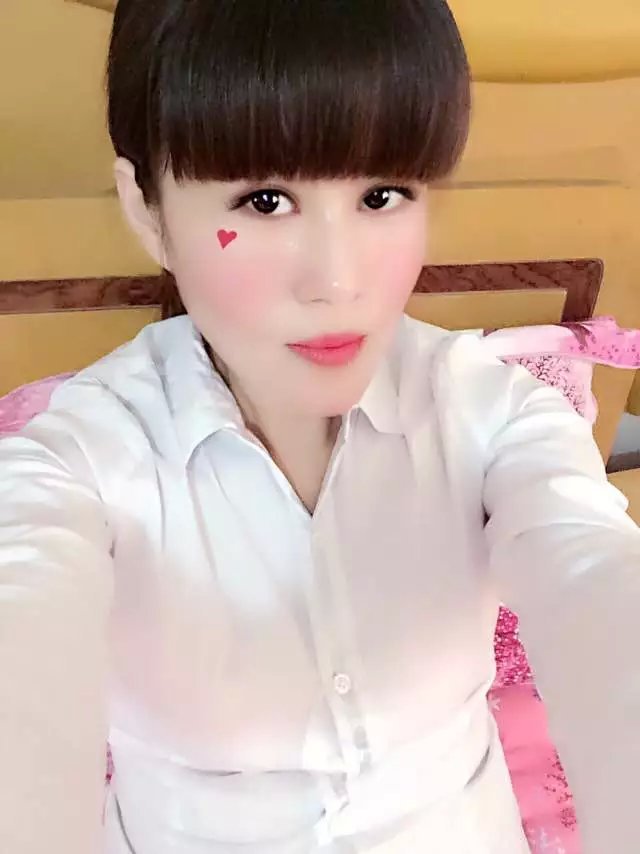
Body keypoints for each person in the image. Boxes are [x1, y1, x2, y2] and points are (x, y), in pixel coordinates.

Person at [1, 1, 638, 852]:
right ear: (147, 210)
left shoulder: (494, 411)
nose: (338, 281)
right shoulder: (77, 456)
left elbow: (598, 585)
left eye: (382, 195)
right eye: (265, 201)